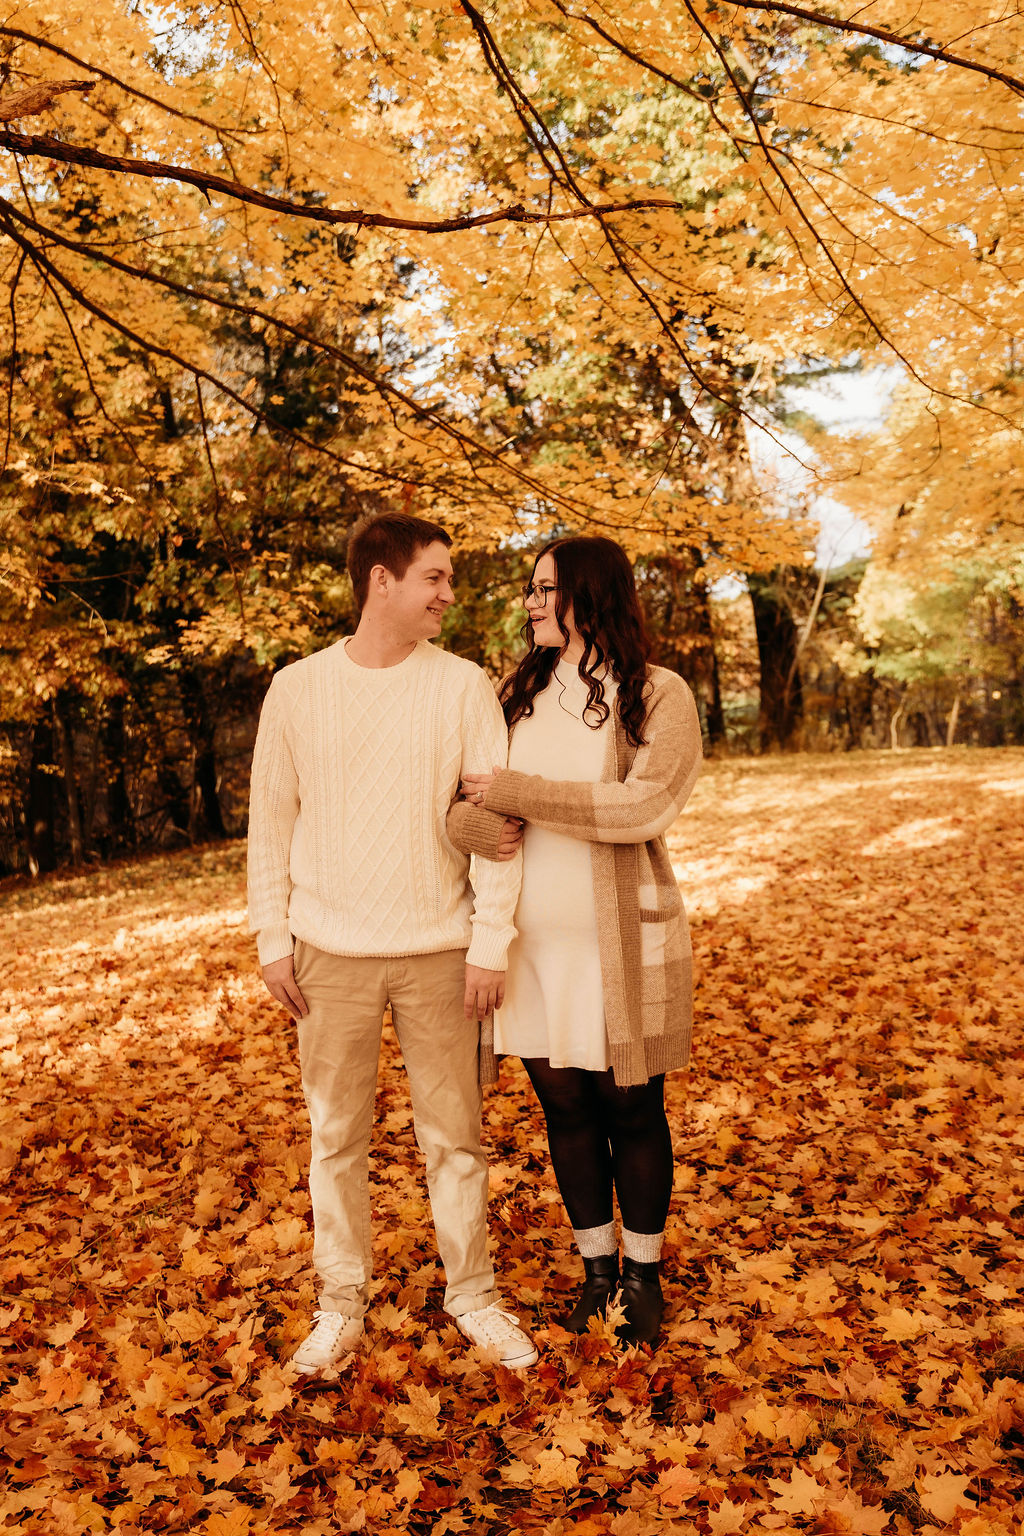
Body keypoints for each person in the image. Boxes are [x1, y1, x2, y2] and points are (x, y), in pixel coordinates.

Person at [247, 512, 537, 1376]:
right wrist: (272, 937)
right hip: (326, 954)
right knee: (336, 1138)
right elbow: (270, 825)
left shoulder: (462, 687)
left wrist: (490, 941)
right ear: (383, 580)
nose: (449, 594)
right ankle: (340, 1306)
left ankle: (474, 1296)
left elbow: (497, 826)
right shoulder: (296, 689)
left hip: (440, 951)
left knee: (454, 1137)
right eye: (435, 578)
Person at [448, 536, 702, 1346]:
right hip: (528, 945)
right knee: (564, 1109)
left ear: (592, 593)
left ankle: (643, 1273)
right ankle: (596, 1271)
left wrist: (518, 794)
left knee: (631, 1106)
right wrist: (479, 822)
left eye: (546, 588)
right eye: (529, 588)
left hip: (617, 946)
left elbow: (643, 809)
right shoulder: (513, 692)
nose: (530, 602)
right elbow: (457, 811)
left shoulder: (657, 695)